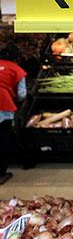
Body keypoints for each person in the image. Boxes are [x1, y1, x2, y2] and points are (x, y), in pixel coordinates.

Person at [0, 44, 27, 184]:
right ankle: (1, 174)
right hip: (3, 106)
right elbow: (22, 94)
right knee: (3, 139)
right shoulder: (17, 70)